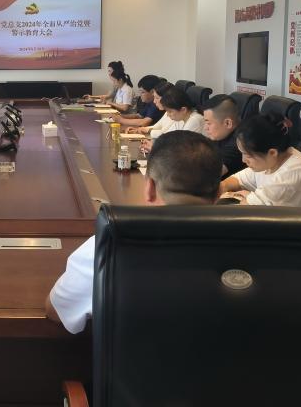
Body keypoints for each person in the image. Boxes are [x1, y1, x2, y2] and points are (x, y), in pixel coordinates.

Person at [45, 131, 222, 333]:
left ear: (149, 188)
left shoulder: (113, 241)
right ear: (219, 193)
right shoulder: (249, 241)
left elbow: (55, 311)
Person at [219, 113, 301, 208]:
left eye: (248, 155)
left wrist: (238, 195)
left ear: (272, 153)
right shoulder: (270, 160)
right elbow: (238, 180)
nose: (243, 160)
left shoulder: (291, 174)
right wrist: (222, 187)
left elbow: (249, 208)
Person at [203, 94, 244, 179]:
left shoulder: (239, 144)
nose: (205, 128)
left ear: (228, 123)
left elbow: (207, 176)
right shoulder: (220, 134)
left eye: (209, 123)